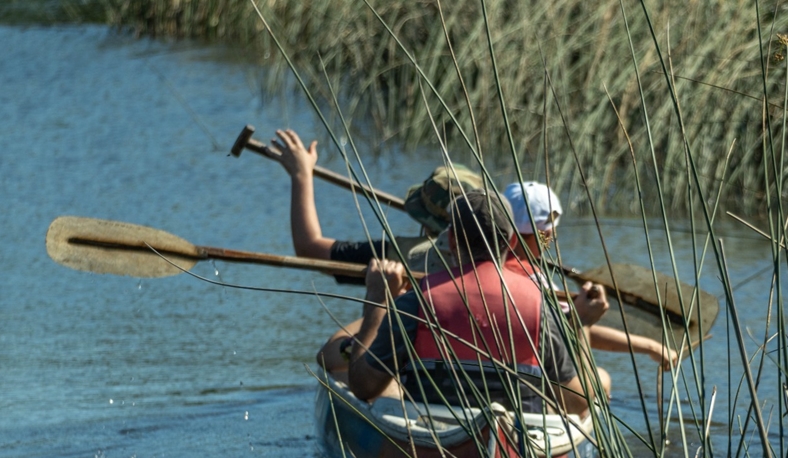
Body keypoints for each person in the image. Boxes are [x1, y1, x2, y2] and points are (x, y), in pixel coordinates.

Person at [345, 189, 609, 417]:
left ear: (451, 240)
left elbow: (363, 386)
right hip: (517, 442)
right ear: (512, 241)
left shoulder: (416, 301)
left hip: (433, 436)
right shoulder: (540, 305)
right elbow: (577, 402)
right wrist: (582, 324)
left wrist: (377, 300)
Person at [501, 182, 678, 375]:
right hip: (524, 374)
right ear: (547, 233)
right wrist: (651, 347)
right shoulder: (532, 277)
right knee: (602, 378)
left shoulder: (488, 264)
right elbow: (574, 328)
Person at [268, 128, 478, 277]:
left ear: (426, 223)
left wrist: (301, 175)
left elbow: (310, 249)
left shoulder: (411, 254)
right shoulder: (495, 253)